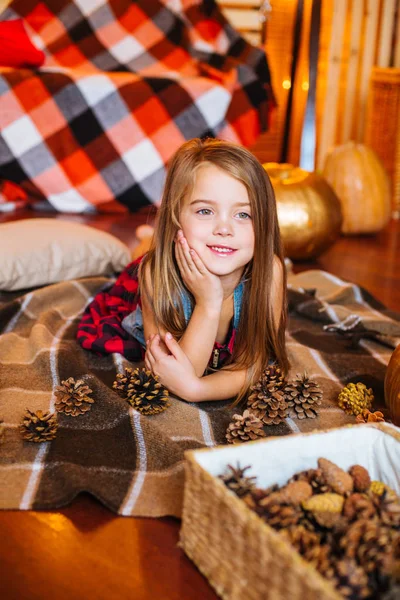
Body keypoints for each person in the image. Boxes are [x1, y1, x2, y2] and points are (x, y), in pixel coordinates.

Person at [77, 138, 289, 404]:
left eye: (243, 215)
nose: (224, 229)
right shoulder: (156, 274)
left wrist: (198, 390)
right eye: (205, 211)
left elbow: (254, 365)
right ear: (176, 216)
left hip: (189, 250)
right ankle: (147, 238)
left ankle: (148, 236)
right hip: (161, 265)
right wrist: (208, 303)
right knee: (143, 258)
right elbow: (176, 371)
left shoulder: (270, 273)